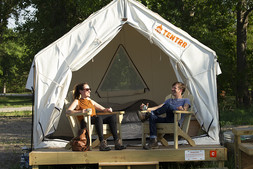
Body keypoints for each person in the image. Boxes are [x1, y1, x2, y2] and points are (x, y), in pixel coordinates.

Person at [66, 82, 126, 151]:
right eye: (87, 89)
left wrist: (108, 109)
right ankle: (102, 143)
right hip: (85, 121)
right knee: (98, 118)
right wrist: (81, 111)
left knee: (111, 117)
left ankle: (117, 142)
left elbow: (103, 109)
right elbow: (68, 111)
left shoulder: (90, 101)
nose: (89, 91)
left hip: (94, 119)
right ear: (81, 91)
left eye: (89, 89)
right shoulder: (77, 101)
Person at [137, 82, 191, 149]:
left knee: (168, 106)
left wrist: (182, 109)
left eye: (175, 88)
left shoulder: (186, 100)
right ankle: (153, 141)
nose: (172, 89)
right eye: (172, 87)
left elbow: (186, 108)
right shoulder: (169, 100)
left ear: (180, 90)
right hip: (167, 119)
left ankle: (148, 115)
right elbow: (158, 107)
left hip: (175, 121)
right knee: (152, 117)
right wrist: (146, 108)